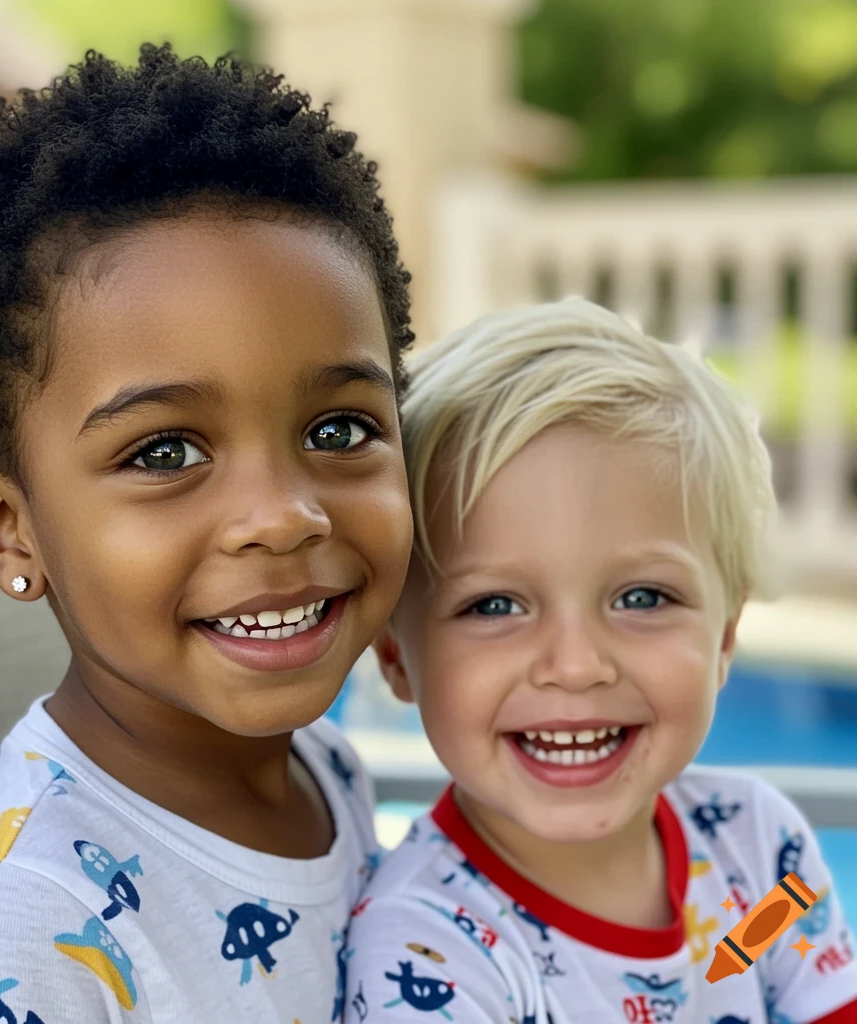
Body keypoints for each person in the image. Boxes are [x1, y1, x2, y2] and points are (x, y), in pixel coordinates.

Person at [0, 46, 415, 1023]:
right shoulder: (9, 930)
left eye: (339, 430)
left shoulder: (322, 768)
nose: (285, 513)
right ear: (7, 529)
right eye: (164, 452)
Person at [345, 300, 857, 1023]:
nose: (577, 665)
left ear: (724, 638)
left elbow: (758, 973)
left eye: (642, 597)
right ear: (396, 655)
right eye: (494, 605)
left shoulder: (761, 856)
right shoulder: (427, 950)